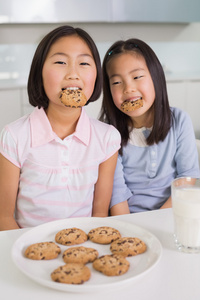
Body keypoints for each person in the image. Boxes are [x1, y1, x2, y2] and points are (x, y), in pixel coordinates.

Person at [0, 25, 121, 230]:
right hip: (28, 250)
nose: (73, 73)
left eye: (84, 63)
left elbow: (99, 214)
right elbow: (3, 218)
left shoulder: (107, 138)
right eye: (60, 62)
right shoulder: (14, 136)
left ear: (97, 76)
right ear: (39, 72)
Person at [99, 38, 200, 215]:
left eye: (137, 77)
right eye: (116, 82)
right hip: (129, 220)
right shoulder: (109, 133)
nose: (128, 88)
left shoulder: (179, 120)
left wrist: (158, 218)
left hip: (172, 213)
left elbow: (187, 177)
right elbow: (116, 194)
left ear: (155, 77)